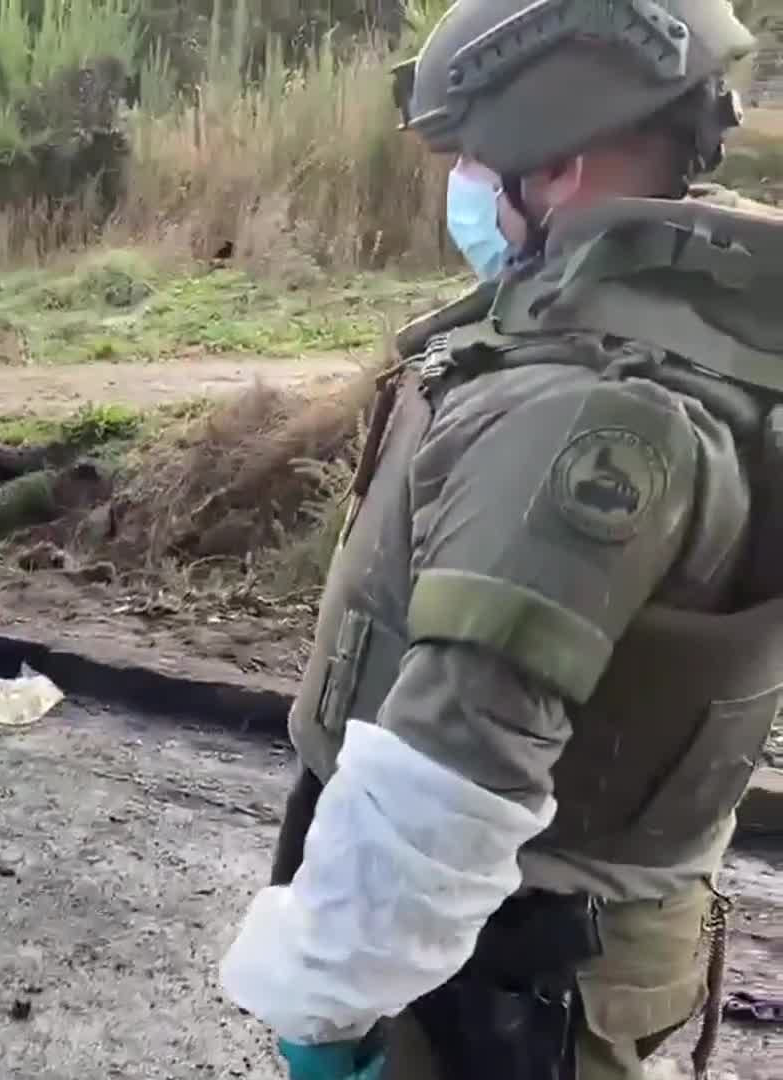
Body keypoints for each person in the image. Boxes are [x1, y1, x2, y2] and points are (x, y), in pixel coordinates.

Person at [216, 1, 783, 1078]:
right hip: (560, 958)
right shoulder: (685, 330)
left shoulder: (588, 412)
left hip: (498, 985)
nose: (464, 186)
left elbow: (456, 765)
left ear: (558, 161)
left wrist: (327, 1005)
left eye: (476, 156)